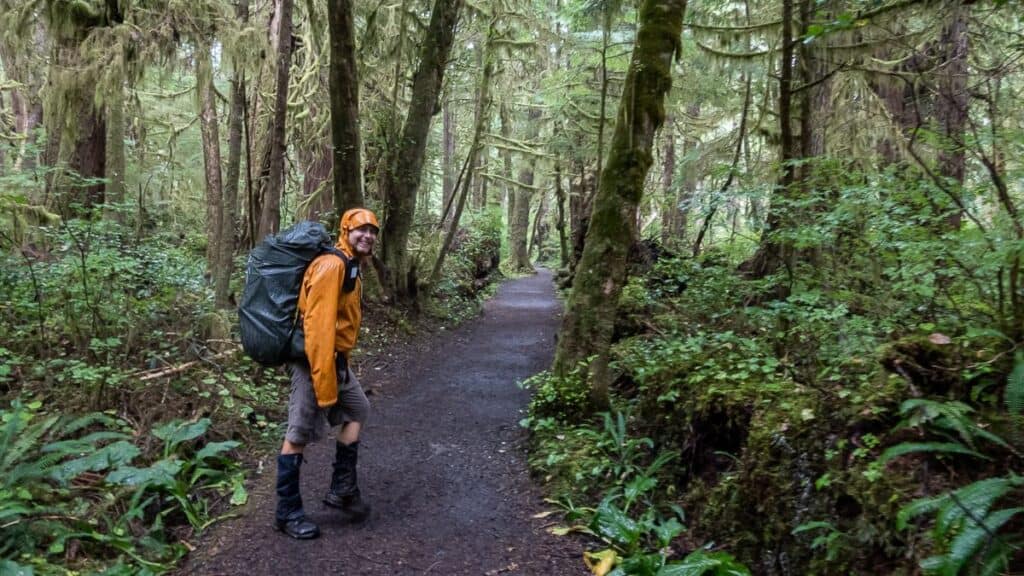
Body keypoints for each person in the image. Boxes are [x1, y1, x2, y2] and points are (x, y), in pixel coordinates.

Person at [274, 208, 380, 539]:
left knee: (357, 409)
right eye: (360, 229)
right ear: (345, 230)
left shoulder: (351, 265)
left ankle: (342, 489)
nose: (367, 235)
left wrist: (339, 368)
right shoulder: (331, 265)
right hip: (312, 362)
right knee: (300, 431)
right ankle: (287, 511)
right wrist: (324, 387)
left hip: (335, 361)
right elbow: (317, 330)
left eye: (372, 231)